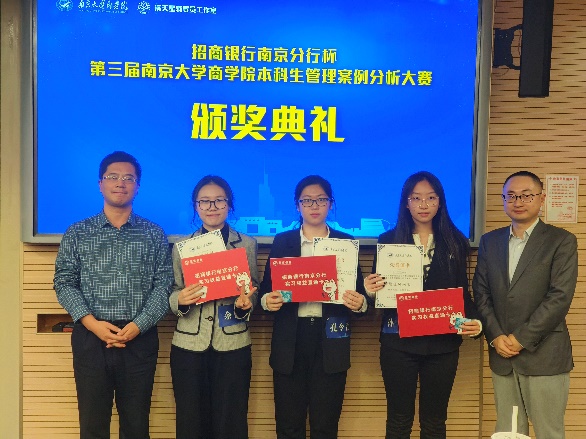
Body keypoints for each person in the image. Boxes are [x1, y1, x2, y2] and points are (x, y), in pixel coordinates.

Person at [54, 151, 174, 439]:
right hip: (91, 338)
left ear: (137, 186)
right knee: (92, 425)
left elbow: (164, 285)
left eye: (129, 178)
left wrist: (138, 326)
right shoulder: (78, 232)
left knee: (136, 425)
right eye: (113, 177)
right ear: (100, 184)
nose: (121, 183)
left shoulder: (154, 234)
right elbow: (64, 282)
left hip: (139, 339)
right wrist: (92, 324)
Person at [364, 171, 482, 439]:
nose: (424, 205)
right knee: (399, 420)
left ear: (440, 202)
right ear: (406, 203)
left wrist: (475, 322)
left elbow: (462, 294)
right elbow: (379, 294)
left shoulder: (455, 241)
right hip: (398, 343)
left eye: (431, 198)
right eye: (416, 198)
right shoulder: (388, 240)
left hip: (442, 345)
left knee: (434, 422)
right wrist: (370, 290)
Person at [259, 175, 368, 439]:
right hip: (290, 340)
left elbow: (360, 294)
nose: (314, 205)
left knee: (325, 425)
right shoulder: (283, 242)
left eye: (321, 199)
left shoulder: (345, 243)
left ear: (331, 203)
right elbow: (265, 291)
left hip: (329, 340)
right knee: (289, 425)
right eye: (307, 200)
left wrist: (360, 303)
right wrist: (267, 301)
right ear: (297, 205)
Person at [473, 171, 577, 439]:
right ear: (503, 200)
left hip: (545, 355)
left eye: (526, 195)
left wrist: (520, 339)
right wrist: (495, 336)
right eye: (511, 196)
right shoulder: (489, 242)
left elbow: (559, 297)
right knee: (508, 432)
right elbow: (481, 292)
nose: (518, 201)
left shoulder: (561, 241)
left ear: (542, 198)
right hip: (502, 355)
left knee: (549, 432)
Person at [169, 175, 259, 439]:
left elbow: (253, 286)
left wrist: (246, 303)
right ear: (196, 206)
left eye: (219, 200)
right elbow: (173, 290)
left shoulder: (246, 244)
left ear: (229, 204)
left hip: (232, 342)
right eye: (204, 201)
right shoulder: (182, 246)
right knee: (190, 421)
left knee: (231, 421)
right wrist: (180, 300)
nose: (212, 207)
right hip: (189, 343)